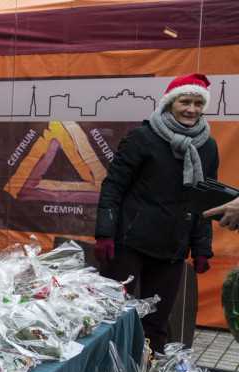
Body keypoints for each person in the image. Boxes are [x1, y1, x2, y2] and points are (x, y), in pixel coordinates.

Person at [93, 73, 219, 353]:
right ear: (170, 102)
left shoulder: (207, 146)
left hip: (172, 249)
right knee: (110, 317)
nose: (191, 109)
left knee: (157, 325)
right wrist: (105, 233)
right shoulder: (143, 138)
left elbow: (205, 201)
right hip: (129, 243)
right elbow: (113, 185)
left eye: (198, 103)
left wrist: (201, 248)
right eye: (185, 101)